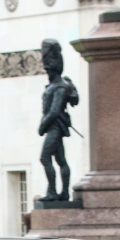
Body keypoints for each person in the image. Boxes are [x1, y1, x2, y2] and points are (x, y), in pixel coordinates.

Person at [36, 39, 78, 202]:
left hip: (55, 127)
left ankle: (53, 191)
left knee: (45, 158)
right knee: (61, 160)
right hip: (54, 127)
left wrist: (42, 125)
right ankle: (64, 192)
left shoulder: (60, 87)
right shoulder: (54, 86)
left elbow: (54, 111)